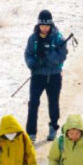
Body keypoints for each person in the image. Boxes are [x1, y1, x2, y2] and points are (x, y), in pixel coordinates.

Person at [24, 9, 68, 143]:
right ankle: (31, 133)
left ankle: (53, 126)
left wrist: (48, 53)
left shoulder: (58, 38)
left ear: (51, 24)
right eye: (42, 25)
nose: (44, 28)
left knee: (53, 103)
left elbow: (61, 57)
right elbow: (28, 55)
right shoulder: (33, 39)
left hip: (54, 76)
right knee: (33, 103)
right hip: (38, 76)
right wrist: (33, 64)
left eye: (47, 25)